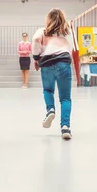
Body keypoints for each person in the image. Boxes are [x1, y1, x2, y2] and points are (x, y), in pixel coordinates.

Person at [32, 8, 75, 140]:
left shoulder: (42, 31)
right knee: (65, 98)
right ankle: (65, 127)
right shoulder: (68, 32)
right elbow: (72, 48)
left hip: (46, 63)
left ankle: (50, 110)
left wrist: (35, 58)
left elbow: (35, 40)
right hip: (63, 63)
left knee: (48, 90)